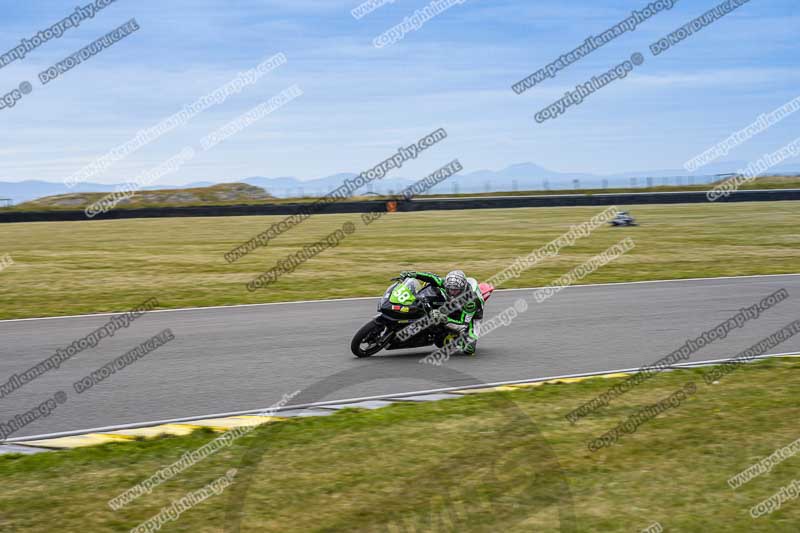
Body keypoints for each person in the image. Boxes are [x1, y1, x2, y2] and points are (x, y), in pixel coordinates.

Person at [398, 270, 483, 354]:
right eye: (450, 290)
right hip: (455, 304)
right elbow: (431, 277)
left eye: (455, 290)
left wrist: (444, 319)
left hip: (472, 316)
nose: (452, 293)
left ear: (462, 289)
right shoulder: (448, 284)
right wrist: (414, 274)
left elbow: (463, 324)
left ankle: (456, 338)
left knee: (469, 349)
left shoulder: (471, 302)